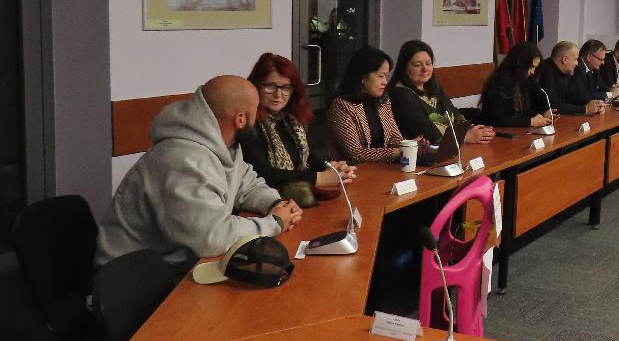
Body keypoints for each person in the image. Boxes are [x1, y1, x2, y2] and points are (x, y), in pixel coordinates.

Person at [94, 75, 303, 270]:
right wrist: (274, 223)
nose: (259, 117)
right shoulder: (183, 160)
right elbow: (211, 237)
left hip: (174, 260)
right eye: (255, 110)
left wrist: (274, 204)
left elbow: (247, 183)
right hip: (132, 276)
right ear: (240, 119)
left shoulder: (224, 144)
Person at [239, 53, 357, 207]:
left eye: (285, 87)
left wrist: (331, 168)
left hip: (296, 199)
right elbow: (263, 174)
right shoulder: (247, 123)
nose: (278, 95)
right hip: (266, 204)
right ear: (255, 87)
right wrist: (321, 178)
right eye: (270, 86)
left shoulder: (288, 119)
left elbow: (306, 154)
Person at [388, 39, 494, 144]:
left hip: (450, 146)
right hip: (423, 151)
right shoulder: (400, 94)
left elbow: (452, 111)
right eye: (417, 65)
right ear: (404, 67)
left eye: (428, 63)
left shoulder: (431, 86)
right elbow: (427, 133)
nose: (425, 69)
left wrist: (469, 128)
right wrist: (464, 136)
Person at [327, 46, 412, 163]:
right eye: (380, 76)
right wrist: (399, 152)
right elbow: (356, 154)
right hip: (351, 170)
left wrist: (410, 145)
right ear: (363, 77)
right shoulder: (342, 106)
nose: (385, 82)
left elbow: (394, 137)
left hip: (381, 167)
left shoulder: (382, 101)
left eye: (386, 76)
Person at [479, 41, 554, 128]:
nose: (533, 72)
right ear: (520, 63)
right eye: (531, 67)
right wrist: (530, 121)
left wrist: (541, 117)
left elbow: (519, 112)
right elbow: (495, 119)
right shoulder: (500, 82)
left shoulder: (520, 80)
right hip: (495, 132)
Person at [534, 41, 608, 115]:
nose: (577, 63)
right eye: (575, 59)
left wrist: (596, 105)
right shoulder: (545, 73)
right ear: (565, 59)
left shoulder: (565, 72)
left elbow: (574, 96)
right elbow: (552, 106)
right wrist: (585, 109)